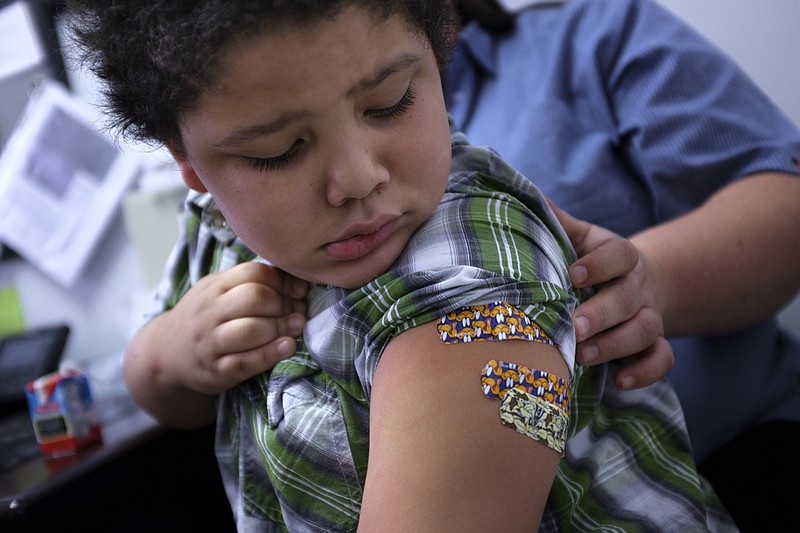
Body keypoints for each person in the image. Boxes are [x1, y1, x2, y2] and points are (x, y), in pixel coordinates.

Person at [67, 0, 735, 531]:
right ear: (190, 165)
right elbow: (155, 387)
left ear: (439, 49)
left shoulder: (472, 284)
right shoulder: (218, 227)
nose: (358, 178)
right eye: (277, 150)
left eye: (388, 104)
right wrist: (175, 349)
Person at [450, 0, 800, 529]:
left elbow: (785, 203)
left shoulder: (594, 33)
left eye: (388, 102)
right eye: (280, 148)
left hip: (745, 464)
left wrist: (649, 282)